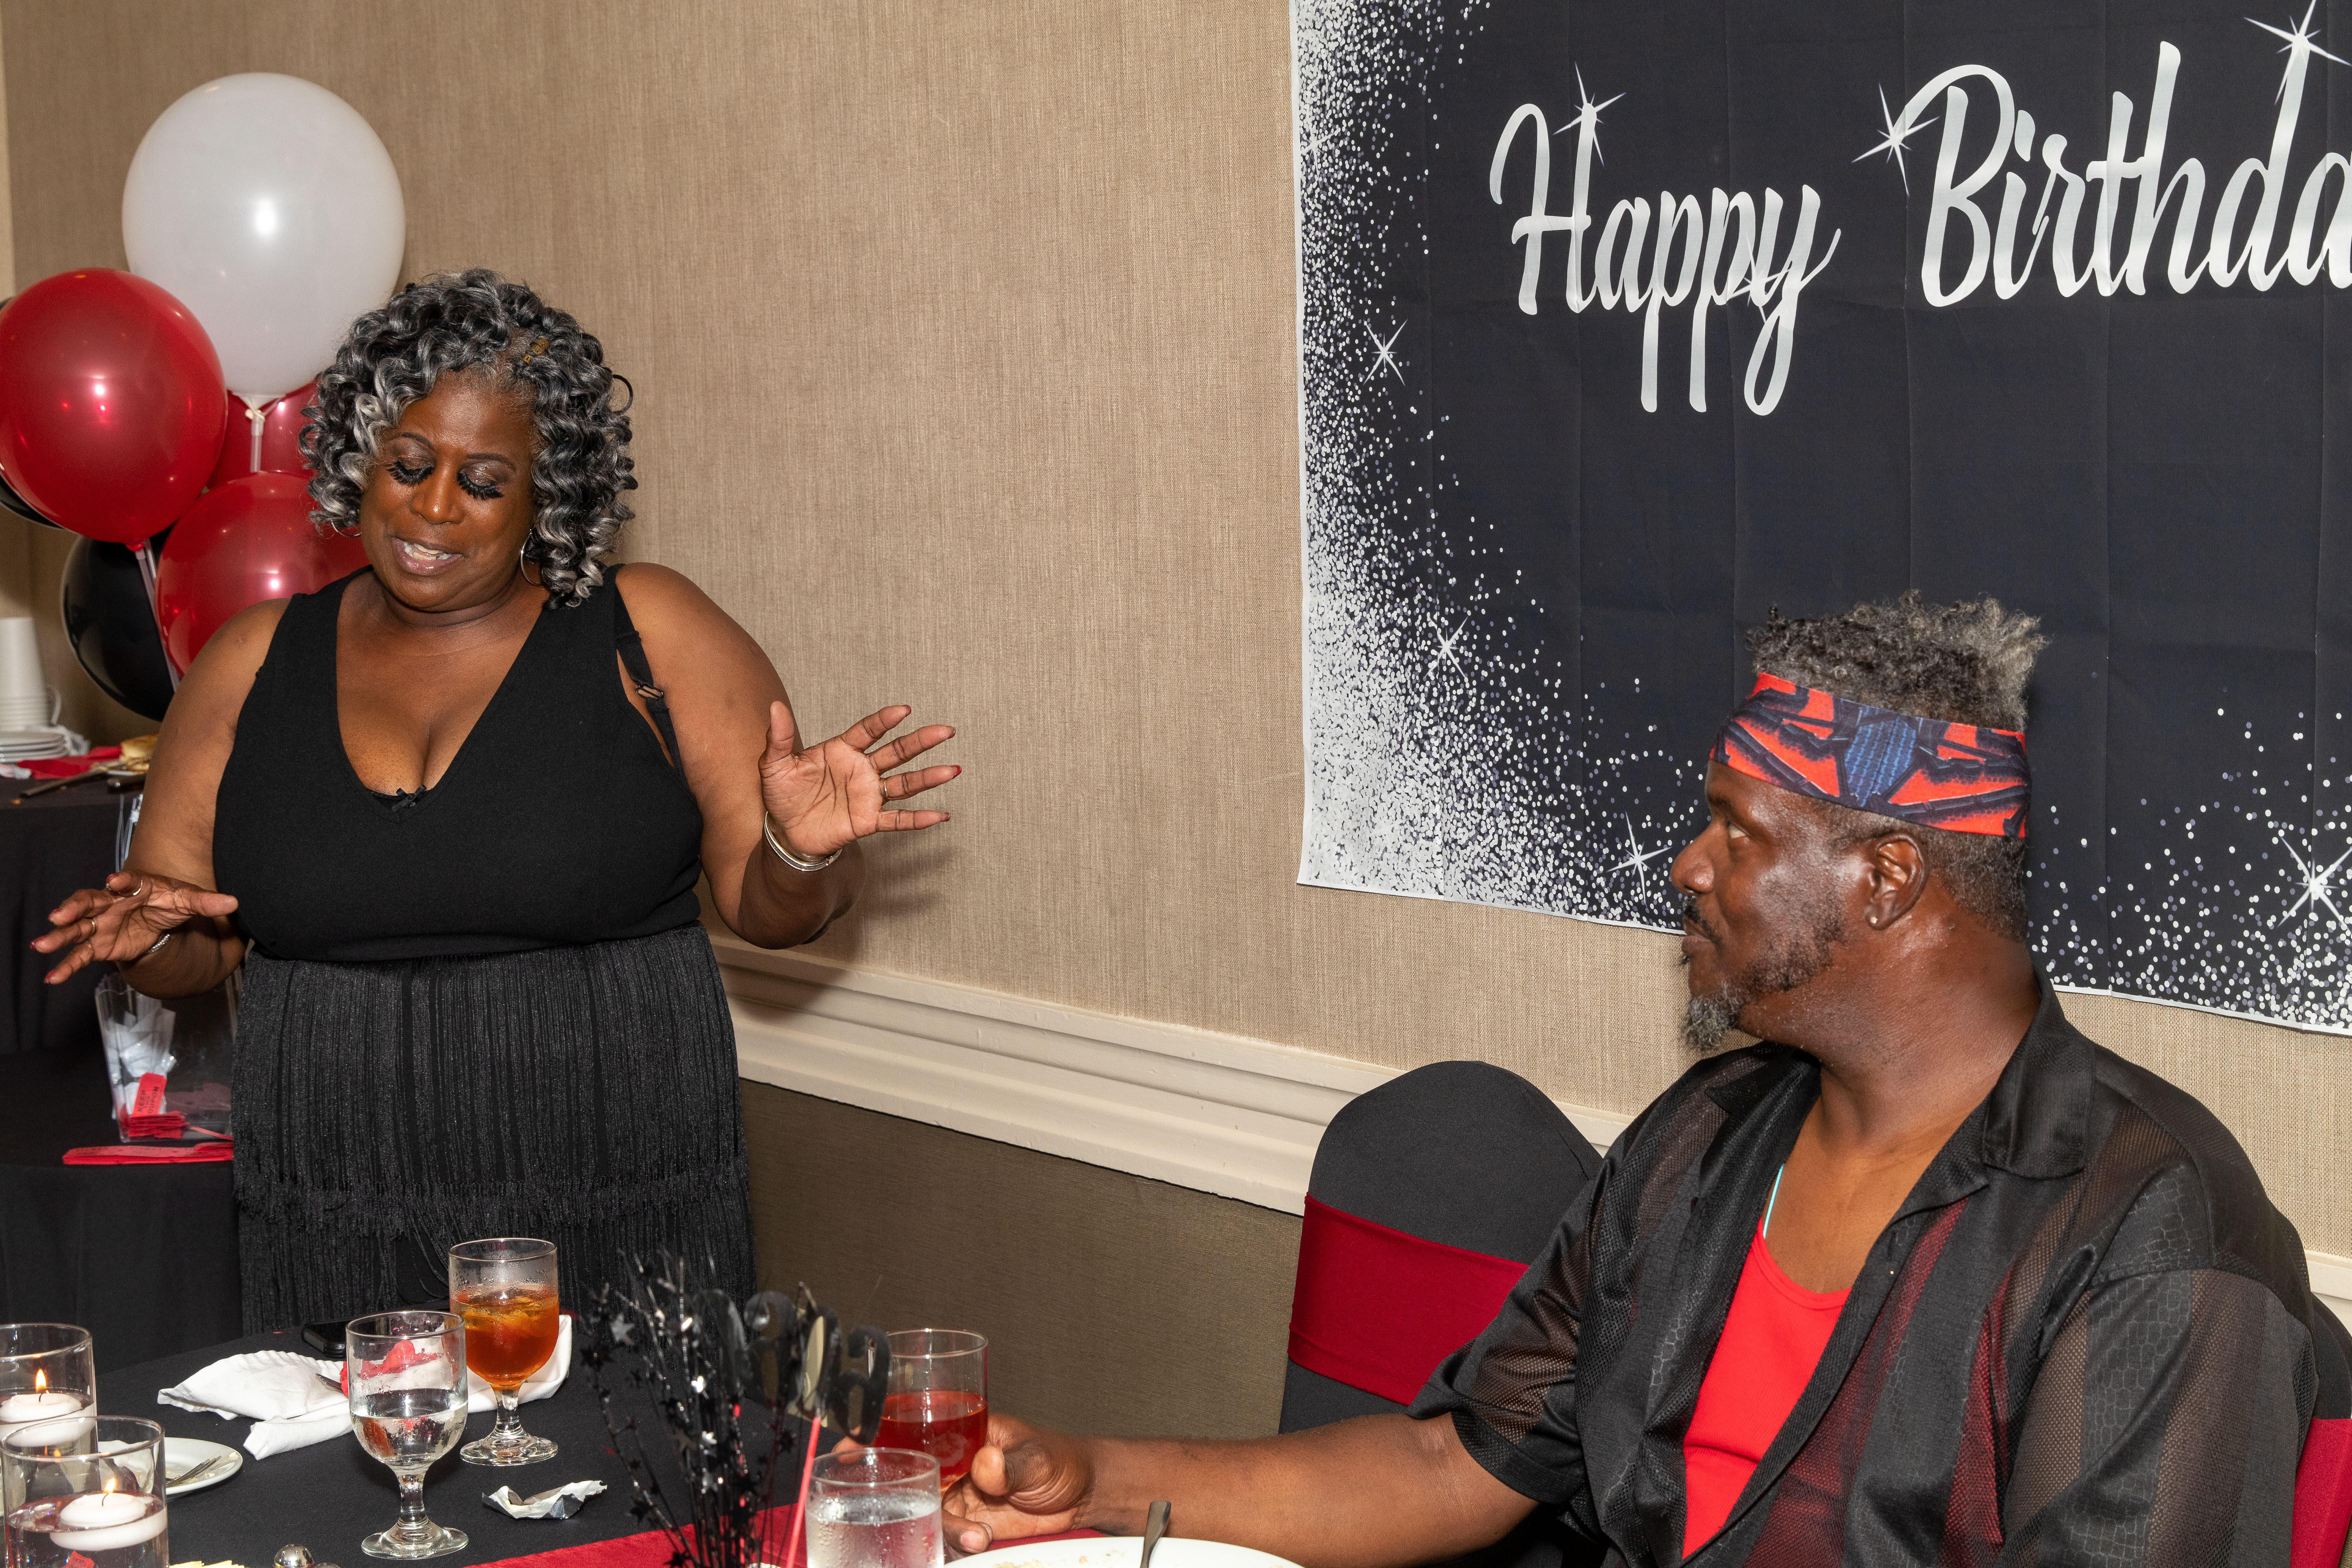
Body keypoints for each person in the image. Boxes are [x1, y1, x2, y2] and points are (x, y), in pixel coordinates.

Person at [940, 596, 2352, 1566]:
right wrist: (1095, 1478)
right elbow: (1456, 1465)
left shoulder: (2150, 1233)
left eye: (1737, 831)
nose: (1687, 864)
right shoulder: (1708, 1135)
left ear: (1886, 878)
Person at [34, 270, 959, 1330]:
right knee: (346, 1441)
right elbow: (196, 945)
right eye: (408, 465)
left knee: (619, 1441)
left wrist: (800, 851)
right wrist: (148, 940)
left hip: (617, 1201)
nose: (432, 507)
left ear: (546, 497)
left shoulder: (648, 633)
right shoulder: (251, 662)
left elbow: (773, 912)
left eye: (481, 480)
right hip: (332, 1208)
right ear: (358, 458)